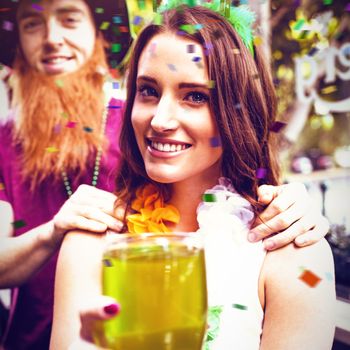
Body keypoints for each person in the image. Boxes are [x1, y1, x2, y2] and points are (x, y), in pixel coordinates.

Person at [50, 2, 336, 349]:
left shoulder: (296, 257)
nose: (160, 119)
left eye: (195, 96)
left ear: (239, 112)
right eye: (149, 91)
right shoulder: (90, 243)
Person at [0, 0, 132, 348]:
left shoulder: (142, 126)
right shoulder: (3, 143)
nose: (51, 38)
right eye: (32, 24)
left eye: (69, 19)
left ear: (100, 34)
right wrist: (53, 232)